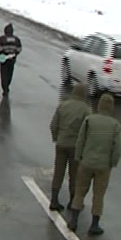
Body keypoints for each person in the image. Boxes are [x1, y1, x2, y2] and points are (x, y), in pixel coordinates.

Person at [67, 93, 121, 235]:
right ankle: (94, 224)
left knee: (80, 191)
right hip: (103, 166)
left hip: (86, 162)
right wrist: (112, 162)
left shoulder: (89, 120)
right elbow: (117, 148)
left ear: (99, 105)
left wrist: (79, 156)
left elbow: (80, 140)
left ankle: (74, 221)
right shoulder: (115, 125)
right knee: (99, 195)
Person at [49, 83, 91, 211]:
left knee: (58, 172)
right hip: (75, 146)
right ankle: (72, 201)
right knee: (74, 174)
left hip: (61, 144)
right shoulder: (86, 109)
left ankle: (54, 200)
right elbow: (88, 130)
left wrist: (57, 138)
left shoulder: (63, 105)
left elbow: (53, 125)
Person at [0, 23, 22, 97]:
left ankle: (5, 88)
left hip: (3, 58)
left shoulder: (2, 38)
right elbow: (19, 49)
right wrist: (14, 53)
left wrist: (3, 52)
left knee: (3, 73)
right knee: (10, 73)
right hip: (12, 59)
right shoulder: (16, 39)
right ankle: (7, 85)